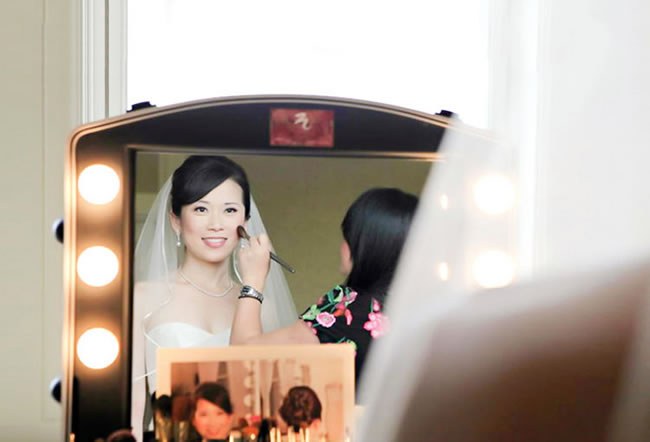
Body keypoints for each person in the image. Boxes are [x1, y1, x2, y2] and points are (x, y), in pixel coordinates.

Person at [131, 155, 297, 438]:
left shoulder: (258, 305)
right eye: (200, 209)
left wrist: (254, 283)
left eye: (230, 210)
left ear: (245, 221)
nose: (216, 224)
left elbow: (260, 402)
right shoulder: (143, 298)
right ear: (176, 221)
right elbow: (130, 415)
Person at [230, 187, 419, 383]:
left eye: (347, 237)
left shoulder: (344, 311)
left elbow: (243, 358)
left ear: (362, 245)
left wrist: (253, 279)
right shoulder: (429, 312)